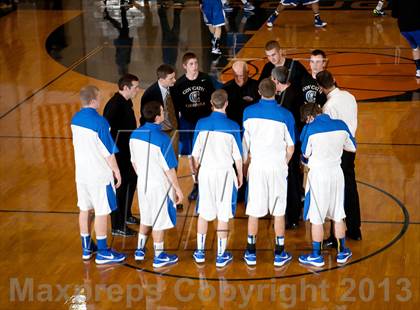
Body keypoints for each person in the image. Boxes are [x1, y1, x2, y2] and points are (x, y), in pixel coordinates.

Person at [242, 79, 295, 267]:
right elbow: (291, 147)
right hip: (277, 168)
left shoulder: (248, 113)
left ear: (258, 91)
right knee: (279, 211)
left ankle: (251, 252)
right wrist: (283, 164)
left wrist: (246, 169)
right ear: (276, 91)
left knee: (254, 211)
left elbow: (245, 148)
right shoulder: (286, 114)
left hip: (257, 167)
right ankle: (279, 253)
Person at [71, 85, 126, 265]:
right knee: (102, 211)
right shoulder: (100, 122)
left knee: (84, 209)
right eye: (99, 98)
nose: (100, 101)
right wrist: (117, 171)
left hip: (82, 175)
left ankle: (86, 247)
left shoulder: (75, 119)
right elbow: (108, 152)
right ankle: (103, 251)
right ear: (93, 100)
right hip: (99, 176)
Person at [298, 103, 356, 267]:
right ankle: (342, 251)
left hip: (318, 176)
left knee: (316, 217)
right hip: (337, 174)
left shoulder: (310, 129)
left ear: (309, 117)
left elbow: (305, 155)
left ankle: (316, 255)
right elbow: (352, 147)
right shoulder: (341, 125)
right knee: (338, 213)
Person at [191, 89, 243, 268]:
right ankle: (221, 255)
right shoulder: (233, 126)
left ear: (211, 104)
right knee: (223, 214)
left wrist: (195, 174)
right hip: (225, 174)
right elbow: (238, 157)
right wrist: (240, 175)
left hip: (205, 172)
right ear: (226, 104)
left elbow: (194, 155)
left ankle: (200, 252)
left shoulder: (200, 123)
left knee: (204, 213)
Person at [130, 101, 184, 268]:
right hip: (159, 186)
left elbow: (134, 162)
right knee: (159, 221)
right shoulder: (162, 139)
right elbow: (169, 170)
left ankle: (140, 250)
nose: (165, 113)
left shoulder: (134, 134)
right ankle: (159, 256)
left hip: (143, 184)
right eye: (163, 111)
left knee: (146, 216)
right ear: (157, 117)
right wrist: (178, 190)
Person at [316, 70, 362, 241]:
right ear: (334, 80)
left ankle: (336, 236)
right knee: (351, 189)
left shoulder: (328, 107)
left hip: (338, 152)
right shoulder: (349, 96)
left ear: (320, 88)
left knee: (336, 193)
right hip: (351, 148)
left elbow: (330, 132)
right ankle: (355, 229)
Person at [171, 52, 215, 201]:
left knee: (207, 153)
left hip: (205, 122)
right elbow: (175, 108)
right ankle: (197, 184)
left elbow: (213, 101)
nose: (195, 67)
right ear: (184, 66)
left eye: (196, 63)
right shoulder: (179, 85)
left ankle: (208, 182)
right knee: (192, 155)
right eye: (191, 64)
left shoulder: (206, 79)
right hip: (188, 123)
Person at [103, 74, 140, 237]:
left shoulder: (127, 101)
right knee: (121, 186)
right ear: (125, 88)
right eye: (135, 87)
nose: (138, 90)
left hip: (128, 152)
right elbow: (107, 132)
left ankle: (126, 214)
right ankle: (117, 225)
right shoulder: (114, 105)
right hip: (118, 154)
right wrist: (112, 158)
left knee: (132, 180)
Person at [271, 66, 304, 229]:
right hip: (294, 142)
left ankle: (292, 216)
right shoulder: (293, 92)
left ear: (276, 81)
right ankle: (294, 212)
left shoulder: (288, 98)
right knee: (294, 178)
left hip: (291, 144)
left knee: (291, 179)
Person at [222, 60, 260, 127]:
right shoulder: (225, 89)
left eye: (241, 76)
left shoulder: (257, 86)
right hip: (233, 126)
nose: (239, 79)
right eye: (236, 76)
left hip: (252, 125)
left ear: (247, 73)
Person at [391, 0, 420, 78]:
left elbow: (394, 15)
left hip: (404, 28)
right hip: (416, 27)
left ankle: (418, 70)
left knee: (415, 48)